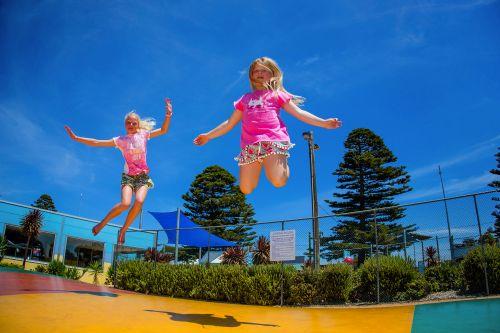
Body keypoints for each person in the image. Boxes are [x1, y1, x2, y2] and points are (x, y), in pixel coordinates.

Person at [193, 57, 342, 194]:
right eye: (256, 71)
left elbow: (299, 113)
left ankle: (280, 160)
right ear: (251, 76)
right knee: (246, 189)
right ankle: (261, 160)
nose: (259, 73)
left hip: (273, 141)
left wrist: (323, 123)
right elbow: (229, 123)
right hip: (250, 145)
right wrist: (208, 135)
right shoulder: (245, 99)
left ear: (272, 74)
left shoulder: (277, 95)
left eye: (263, 70)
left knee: (278, 181)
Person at [64, 98, 173, 244]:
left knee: (139, 201)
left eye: (134, 123)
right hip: (128, 177)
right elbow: (97, 142)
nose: (131, 125)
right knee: (125, 203)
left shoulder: (144, 135)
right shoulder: (120, 140)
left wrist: (168, 115)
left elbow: (164, 130)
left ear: (138, 125)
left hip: (142, 176)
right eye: (128, 122)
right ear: (124, 124)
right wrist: (76, 138)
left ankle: (124, 229)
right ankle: (103, 223)